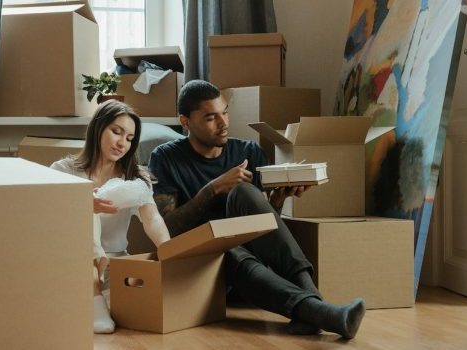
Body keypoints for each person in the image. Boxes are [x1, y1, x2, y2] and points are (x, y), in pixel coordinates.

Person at [148, 80, 366, 339]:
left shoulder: (247, 151)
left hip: (258, 268)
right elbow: (167, 230)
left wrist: (279, 199)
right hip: (209, 267)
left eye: (225, 112)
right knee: (228, 247)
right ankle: (319, 310)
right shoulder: (164, 157)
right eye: (211, 117)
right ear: (185, 121)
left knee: (243, 192)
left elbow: (263, 226)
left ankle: (314, 306)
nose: (223, 123)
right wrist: (213, 189)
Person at [50, 100, 171, 334]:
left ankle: (96, 300)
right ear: (98, 127)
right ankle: (93, 297)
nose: (122, 143)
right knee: (84, 202)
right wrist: (81, 204)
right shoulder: (63, 170)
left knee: (142, 309)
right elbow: (42, 215)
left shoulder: (134, 180)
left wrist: (170, 252)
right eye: (116, 132)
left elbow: (152, 219)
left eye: (129, 138)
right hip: (72, 262)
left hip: (115, 265)